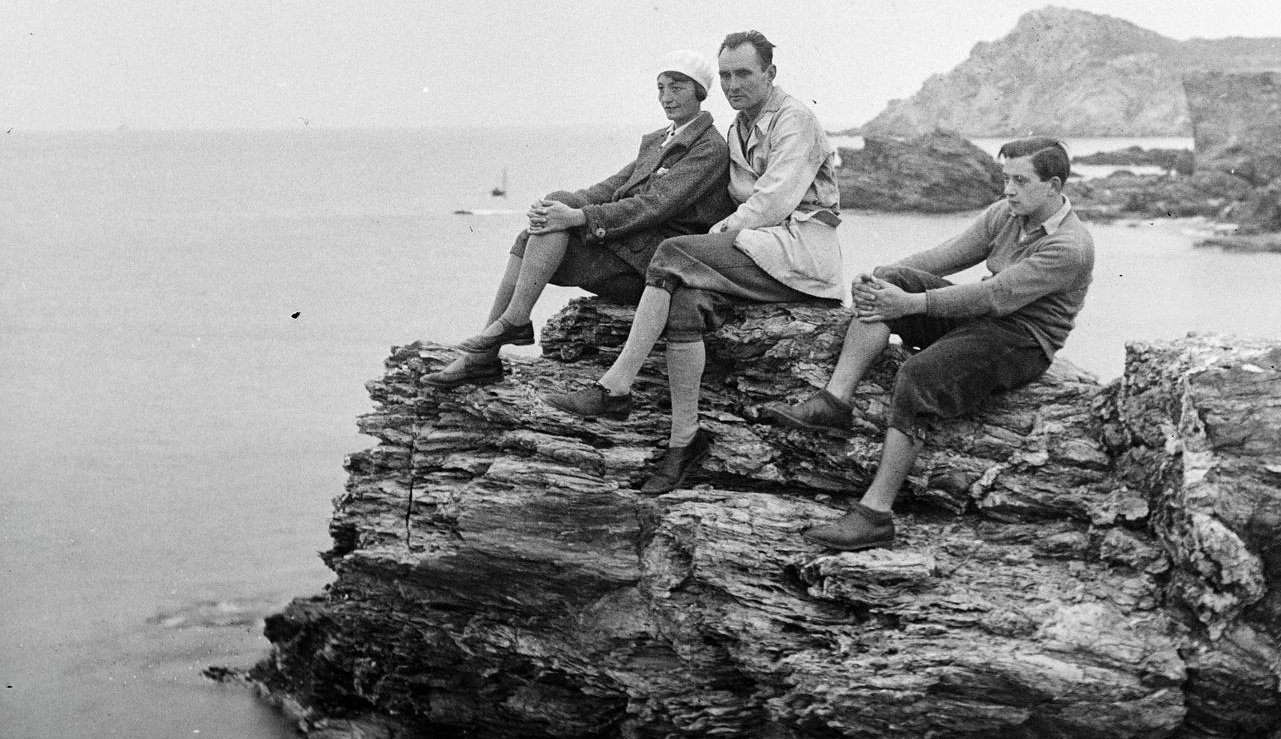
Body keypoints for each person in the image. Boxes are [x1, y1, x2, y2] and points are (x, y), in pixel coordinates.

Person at [545, 30, 843, 495]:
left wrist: (708, 239)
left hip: (799, 255)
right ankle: (684, 443)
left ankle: (616, 387)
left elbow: (771, 203)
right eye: (724, 75)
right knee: (683, 302)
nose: (732, 83)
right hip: (756, 251)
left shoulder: (795, 120)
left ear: (771, 73)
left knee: (675, 252)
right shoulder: (738, 128)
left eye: (744, 73)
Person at [766, 137, 1094, 551]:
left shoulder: (1069, 246)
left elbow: (995, 297)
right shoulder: (1007, 213)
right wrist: (881, 277)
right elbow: (949, 256)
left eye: (1020, 181)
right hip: (983, 318)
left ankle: (875, 515)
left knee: (917, 377)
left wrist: (910, 303)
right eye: (1005, 178)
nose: (1008, 190)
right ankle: (835, 401)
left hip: (1023, 340)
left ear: (1054, 185)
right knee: (894, 282)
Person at [421, 50, 734, 388]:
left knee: (554, 223)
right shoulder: (662, 139)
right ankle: (503, 331)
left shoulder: (708, 148)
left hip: (654, 265)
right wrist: (555, 209)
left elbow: (653, 205)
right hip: (628, 249)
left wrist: (578, 217)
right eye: (660, 88)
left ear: (700, 92)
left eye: (677, 88)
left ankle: (494, 342)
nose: (666, 97)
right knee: (550, 212)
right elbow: (613, 186)